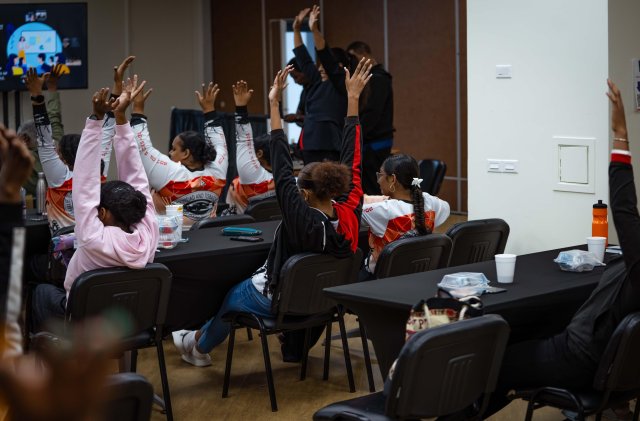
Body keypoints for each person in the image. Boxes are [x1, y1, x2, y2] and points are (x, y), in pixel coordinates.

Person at [171, 58, 372, 367]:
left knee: (229, 298)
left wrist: (274, 104)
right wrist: (353, 99)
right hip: (324, 299)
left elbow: (281, 164)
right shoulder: (349, 212)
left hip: (280, 301)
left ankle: (197, 346)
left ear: (304, 193)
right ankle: (196, 342)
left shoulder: (301, 218)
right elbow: (353, 158)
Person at [474, 80, 640, 420]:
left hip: (581, 358)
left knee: (490, 363)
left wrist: (620, 136)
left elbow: (624, 209)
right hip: (613, 368)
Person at [30, 76, 158, 332]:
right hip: (130, 322)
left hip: (84, 321)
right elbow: (137, 178)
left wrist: (95, 121)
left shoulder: (92, 238)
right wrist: (119, 119)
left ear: (103, 212)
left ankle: (51, 352)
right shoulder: (149, 234)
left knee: (41, 292)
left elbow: (85, 183)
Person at [26, 60, 124, 233]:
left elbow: (44, 140)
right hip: (98, 243)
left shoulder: (59, 177)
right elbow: (108, 130)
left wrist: (36, 95)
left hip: (64, 248)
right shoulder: (98, 171)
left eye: (58, 153)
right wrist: (117, 85)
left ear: (63, 159)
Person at [129, 78, 228, 228]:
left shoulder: (170, 174)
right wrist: (209, 111)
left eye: (174, 149)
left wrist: (137, 109)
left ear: (186, 153)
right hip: (208, 236)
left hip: (172, 239)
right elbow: (220, 144)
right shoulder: (218, 171)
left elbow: (143, 148)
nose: (170, 153)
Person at [361, 154, 450, 276]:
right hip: (418, 271)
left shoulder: (383, 210)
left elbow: (347, 217)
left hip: (380, 277)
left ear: (392, 179)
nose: (378, 180)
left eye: (380, 175)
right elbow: (445, 208)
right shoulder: (432, 202)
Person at [293, 6, 347, 164]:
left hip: (331, 144)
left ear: (340, 67)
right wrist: (296, 30)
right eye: (320, 66)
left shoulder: (342, 84)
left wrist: (314, 30)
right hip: (310, 144)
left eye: (325, 66)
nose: (321, 68)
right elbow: (303, 59)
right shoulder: (316, 82)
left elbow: (326, 56)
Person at [347, 40, 394, 195]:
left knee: (374, 187)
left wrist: (355, 135)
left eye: (354, 58)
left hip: (376, 143)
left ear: (364, 55)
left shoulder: (379, 78)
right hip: (370, 141)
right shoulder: (372, 77)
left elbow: (373, 112)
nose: (353, 64)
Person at [225, 80, 275, 215]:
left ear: (259, 154)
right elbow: (279, 137)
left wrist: (240, 108)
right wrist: (275, 102)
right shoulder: (288, 177)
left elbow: (244, 140)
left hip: (249, 224)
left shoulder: (246, 180)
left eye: (252, 151)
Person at [283, 57, 309, 127]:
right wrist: (297, 118)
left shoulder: (321, 90)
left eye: (296, 77)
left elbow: (319, 119)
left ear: (304, 71)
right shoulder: (304, 93)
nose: (295, 81)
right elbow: (299, 118)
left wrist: (297, 117)